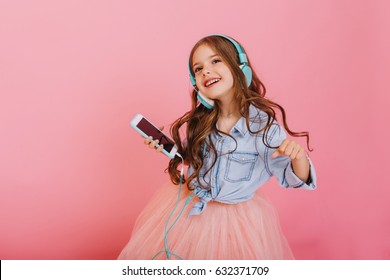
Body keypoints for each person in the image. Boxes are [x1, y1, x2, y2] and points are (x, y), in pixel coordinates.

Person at [117, 34, 317, 260]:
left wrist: (298, 158)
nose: (205, 71)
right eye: (198, 68)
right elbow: (192, 159)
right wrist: (168, 147)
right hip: (190, 209)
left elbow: (294, 179)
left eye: (215, 61)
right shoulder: (201, 121)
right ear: (196, 83)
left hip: (237, 222)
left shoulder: (263, 128)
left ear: (240, 67)